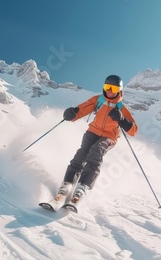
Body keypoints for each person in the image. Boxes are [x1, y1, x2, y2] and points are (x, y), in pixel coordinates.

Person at [55, 75, 138, 204]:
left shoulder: (121, 108)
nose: (110, 91)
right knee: (82, 153)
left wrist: (122, 119)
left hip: (109, 136)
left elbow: (133, 130)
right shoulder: (98, 100)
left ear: (119, 90)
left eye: (114, 89)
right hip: (93, 131)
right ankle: (67, 183)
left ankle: (83, 186)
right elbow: (82, 109)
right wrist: (71, 113)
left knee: (96, 151)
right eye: (107, 87)